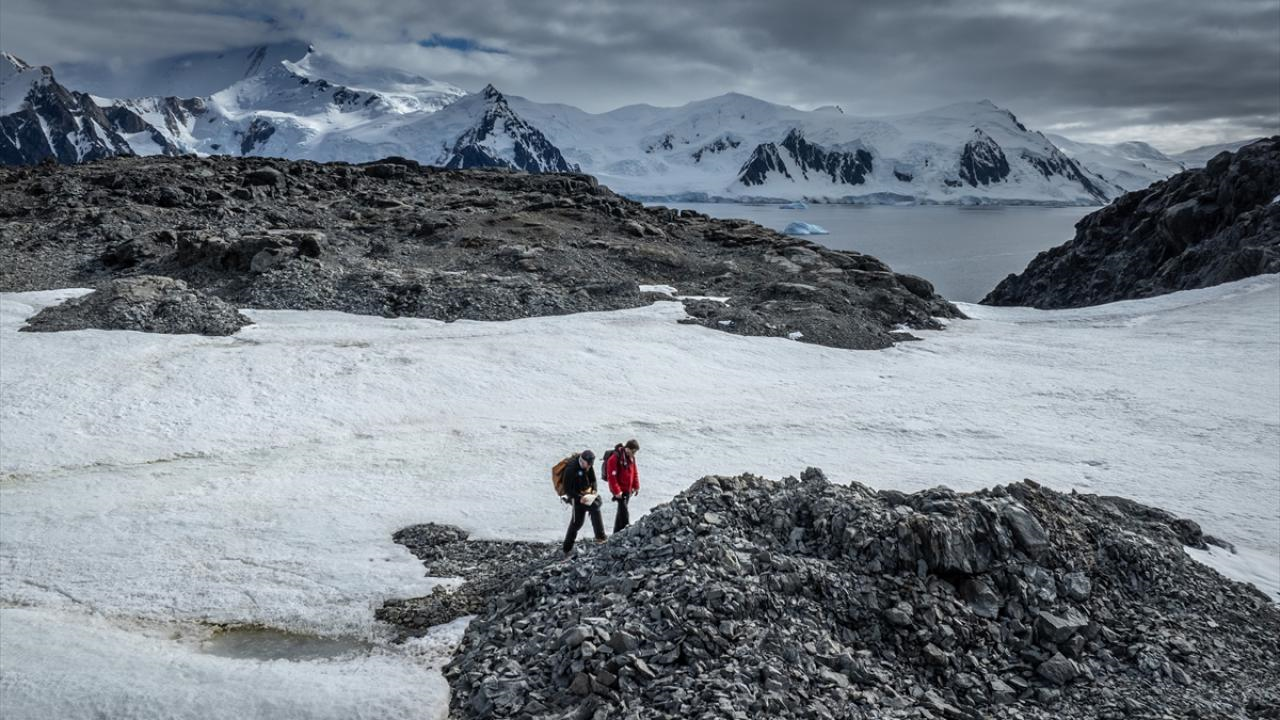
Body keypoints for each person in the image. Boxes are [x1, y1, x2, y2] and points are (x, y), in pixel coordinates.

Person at [560, 449, 606, 558]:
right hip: (576, 499)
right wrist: (579, 498)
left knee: (595, 508)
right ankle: (567, 549)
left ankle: (601, 538)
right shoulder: (571, 469)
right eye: (587, 465)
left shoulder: (589, 466)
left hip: (587, 495)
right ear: (582, 460)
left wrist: (594, 490)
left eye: (590, 465)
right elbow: (567, 490)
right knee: (577, 524)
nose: (588, 467)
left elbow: (593, 480)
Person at [606, 439, 641, 532]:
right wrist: (617, 491)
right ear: (628, 449)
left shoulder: (631, 458)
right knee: (624, 512)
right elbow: (611, 477)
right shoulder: (614, 458)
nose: (634, 454)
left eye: (635, 452)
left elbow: (635, 472)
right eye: (633, 451)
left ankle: (616, 533)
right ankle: (627, 531)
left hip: (628, 489)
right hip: (619, 490)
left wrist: (636, 486)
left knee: (620, 513)